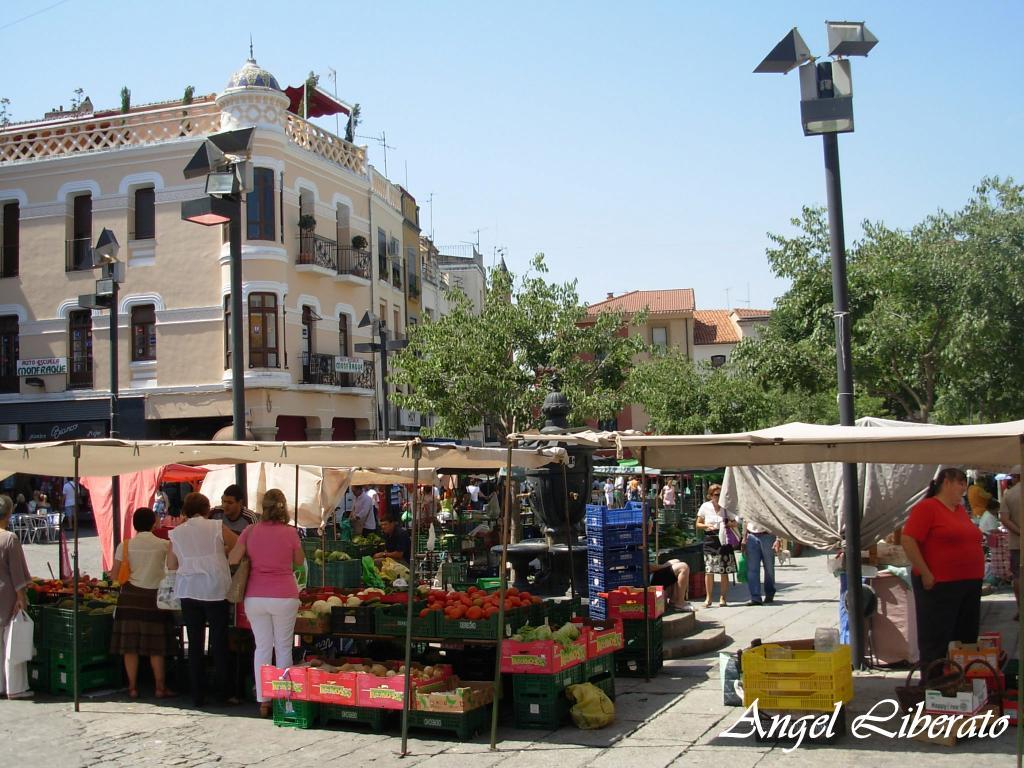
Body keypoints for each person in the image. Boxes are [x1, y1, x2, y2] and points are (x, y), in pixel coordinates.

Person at [228, 488, 303, 718]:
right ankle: (283, 699)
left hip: (255, 596)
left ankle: (263, 700)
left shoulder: (250, 531)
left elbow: (233, 558)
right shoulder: (290, 533)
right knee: (283, 647)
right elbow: (299, 561)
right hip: (284, 595)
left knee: (262, 647)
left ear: (263, 507)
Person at [902, 467, 984, 673]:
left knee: (965, 636)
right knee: (936, 637)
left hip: (968, 582)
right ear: (946, 482)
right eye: (960, 483)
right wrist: (925, 572)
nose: (964, 488)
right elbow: (908, 539)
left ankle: (959, 679)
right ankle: (933, 681)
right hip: (940, 583)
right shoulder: (928, 507)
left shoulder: (959, 510)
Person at [166, 492, 239, 708]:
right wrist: (221, 552)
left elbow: (171, 564)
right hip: (215, 589)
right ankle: (223, 693)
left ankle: (197, 694)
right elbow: (238, 545)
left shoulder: (176, 533)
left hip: (188, 590)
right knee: (219, 641)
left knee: (195, 643)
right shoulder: (216, 527)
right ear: (206, 509)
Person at [110, 507, 174, 699]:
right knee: (156, 648)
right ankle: (160, 687)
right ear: (154, 523)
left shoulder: (125, 545)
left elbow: (114, 575)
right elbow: (172, 567)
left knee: (129, 647)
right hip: (154, 599)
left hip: (129, 599)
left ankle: (132, 687)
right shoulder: (164, 544)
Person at [0, 495, 31, 699]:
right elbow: (17, 572)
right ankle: (14, 688)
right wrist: (21, 597)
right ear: (9, 514)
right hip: (7, 595)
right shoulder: (10, 538)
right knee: (12, 642)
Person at [696, 484, 738, 607]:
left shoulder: (726, 507)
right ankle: (708, 598)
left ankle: (723, 598)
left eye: (721, 494)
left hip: (723, 541)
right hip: (710, 540)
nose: (719, 497)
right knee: (709, 570)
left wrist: (729, 524)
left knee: (724, 571)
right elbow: (698, 523)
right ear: (710, 496)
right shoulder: (705, 506)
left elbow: (735, 522)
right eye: (716, 495)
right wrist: (706, 526)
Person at [999, 470, 1022, 619]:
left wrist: (1020, 531)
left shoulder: (1009, 494)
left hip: (1017, 543)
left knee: (1018, 576)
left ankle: (1021, 609)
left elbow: (1004, 519)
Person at [743, 518, 777, 606]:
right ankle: (755, 597)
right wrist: (744, 538)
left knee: (769, 568)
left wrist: (778, 539)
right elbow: (745, 519)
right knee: (752, 569)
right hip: (751, 536)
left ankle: (769, 593)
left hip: (768, 535)